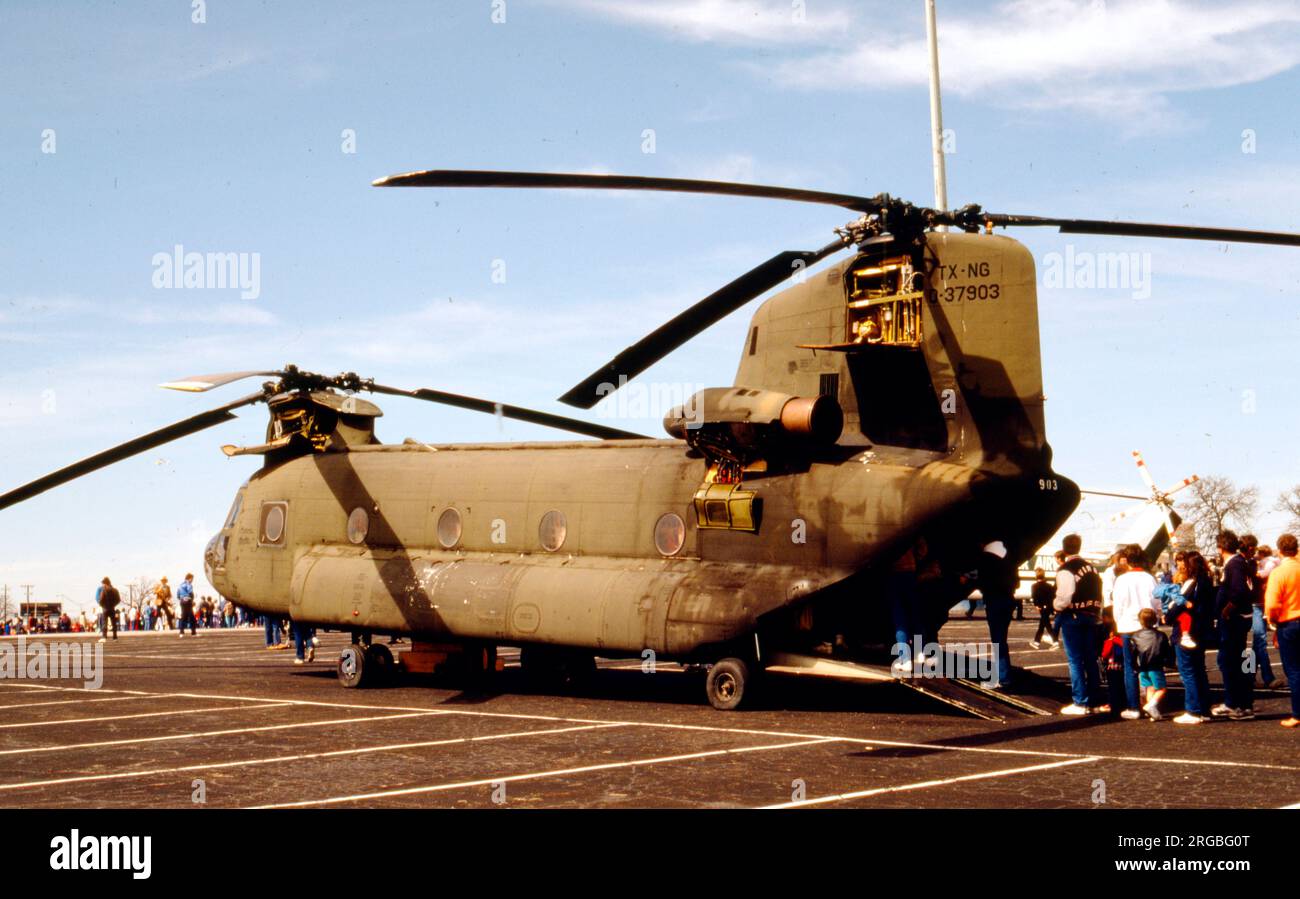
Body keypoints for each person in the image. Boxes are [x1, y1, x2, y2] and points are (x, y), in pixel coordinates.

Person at [1054, 534, 1105, 714]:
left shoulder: (1066, 569)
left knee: (1075, 660)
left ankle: (1080, 702)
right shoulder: (1092, 569)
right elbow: (1100, 593)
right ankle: (1095, 701)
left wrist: (1056, 606)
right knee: (1091, 659)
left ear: (1065, 548)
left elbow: (1065, 596)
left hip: (1073, 616)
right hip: (1091, 615)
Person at [1111, 544, 1160, 720]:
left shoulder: (1122, 580)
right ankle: (1151, 702)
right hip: (1146, 627)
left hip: (1127, 627)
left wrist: (1119, 623)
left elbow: (1118, 605)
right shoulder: (1149, 578)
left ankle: (1133, 707)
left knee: (1130, 668)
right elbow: (1156, 602)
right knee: (1150, 667)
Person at [1212, 531, 1256, 720]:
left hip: (1234, 620)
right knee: (1236, 661)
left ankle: (1235, 704)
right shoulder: (1238, 562)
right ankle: (1242, 703)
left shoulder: (1234, 564)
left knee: (1229, 661)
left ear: (1220, 547)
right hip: (1239, 619)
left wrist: (1226, 610)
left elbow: (1239, 590)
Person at [1167, 551, 1215, 724]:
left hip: (1187, 631)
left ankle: (1193, 710)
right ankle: (1204, 709)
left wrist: (1168, 616)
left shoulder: (1191, 582)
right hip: (1202, 630)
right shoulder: (1207, 581)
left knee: (1188, 671)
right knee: (1199, 670)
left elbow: (1178, 604)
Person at [1264, 533, 1300, 728]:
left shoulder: (1279, 572)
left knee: (1294, 670)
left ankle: (1297, 713)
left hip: (1290, 623)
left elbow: (1272, 603)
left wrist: (1272, 620)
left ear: (1279, 550)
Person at [976, 539, 1018, 689]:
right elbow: (1017, 583)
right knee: (1001, 640)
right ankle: (1003, 675)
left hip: (995, 601)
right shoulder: (1008, 560)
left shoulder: (986, 559)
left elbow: (982, 582)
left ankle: (1003, 678)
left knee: (998, 641)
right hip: (1008, 600)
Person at [1250, 542, 1283, 688]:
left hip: (1258, 604)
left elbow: (1261, 575)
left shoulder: (1263, 564)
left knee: (1257, 644)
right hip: (1258, 605)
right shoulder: (1272, 564)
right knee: (1259, 642)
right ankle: (1267, 677)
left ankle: (1248, 675)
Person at [1131, 607, 1173, 720]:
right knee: (1161, 689)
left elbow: (1133, 653)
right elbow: (1167, 651)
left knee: (1149, 688)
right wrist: (1170, 662)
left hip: (1142, 667)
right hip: (1156, 666)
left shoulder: (1135, 636)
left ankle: (1153, 712)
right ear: (1155, 620)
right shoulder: (1160, 635)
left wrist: (1134, 666)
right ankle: (1151, 705)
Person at [97, 577, 121, 643]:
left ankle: (104, 637)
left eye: (103, 584)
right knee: (114, 623)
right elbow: (118, 600)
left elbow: (101, 600)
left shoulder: (104, 590)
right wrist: (113, 605)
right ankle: (115, 637)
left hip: (105, 609)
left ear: (105, 583)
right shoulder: (115, 590)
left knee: (104, 623)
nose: (103, 585)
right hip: (112, 608)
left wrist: (103, 605)